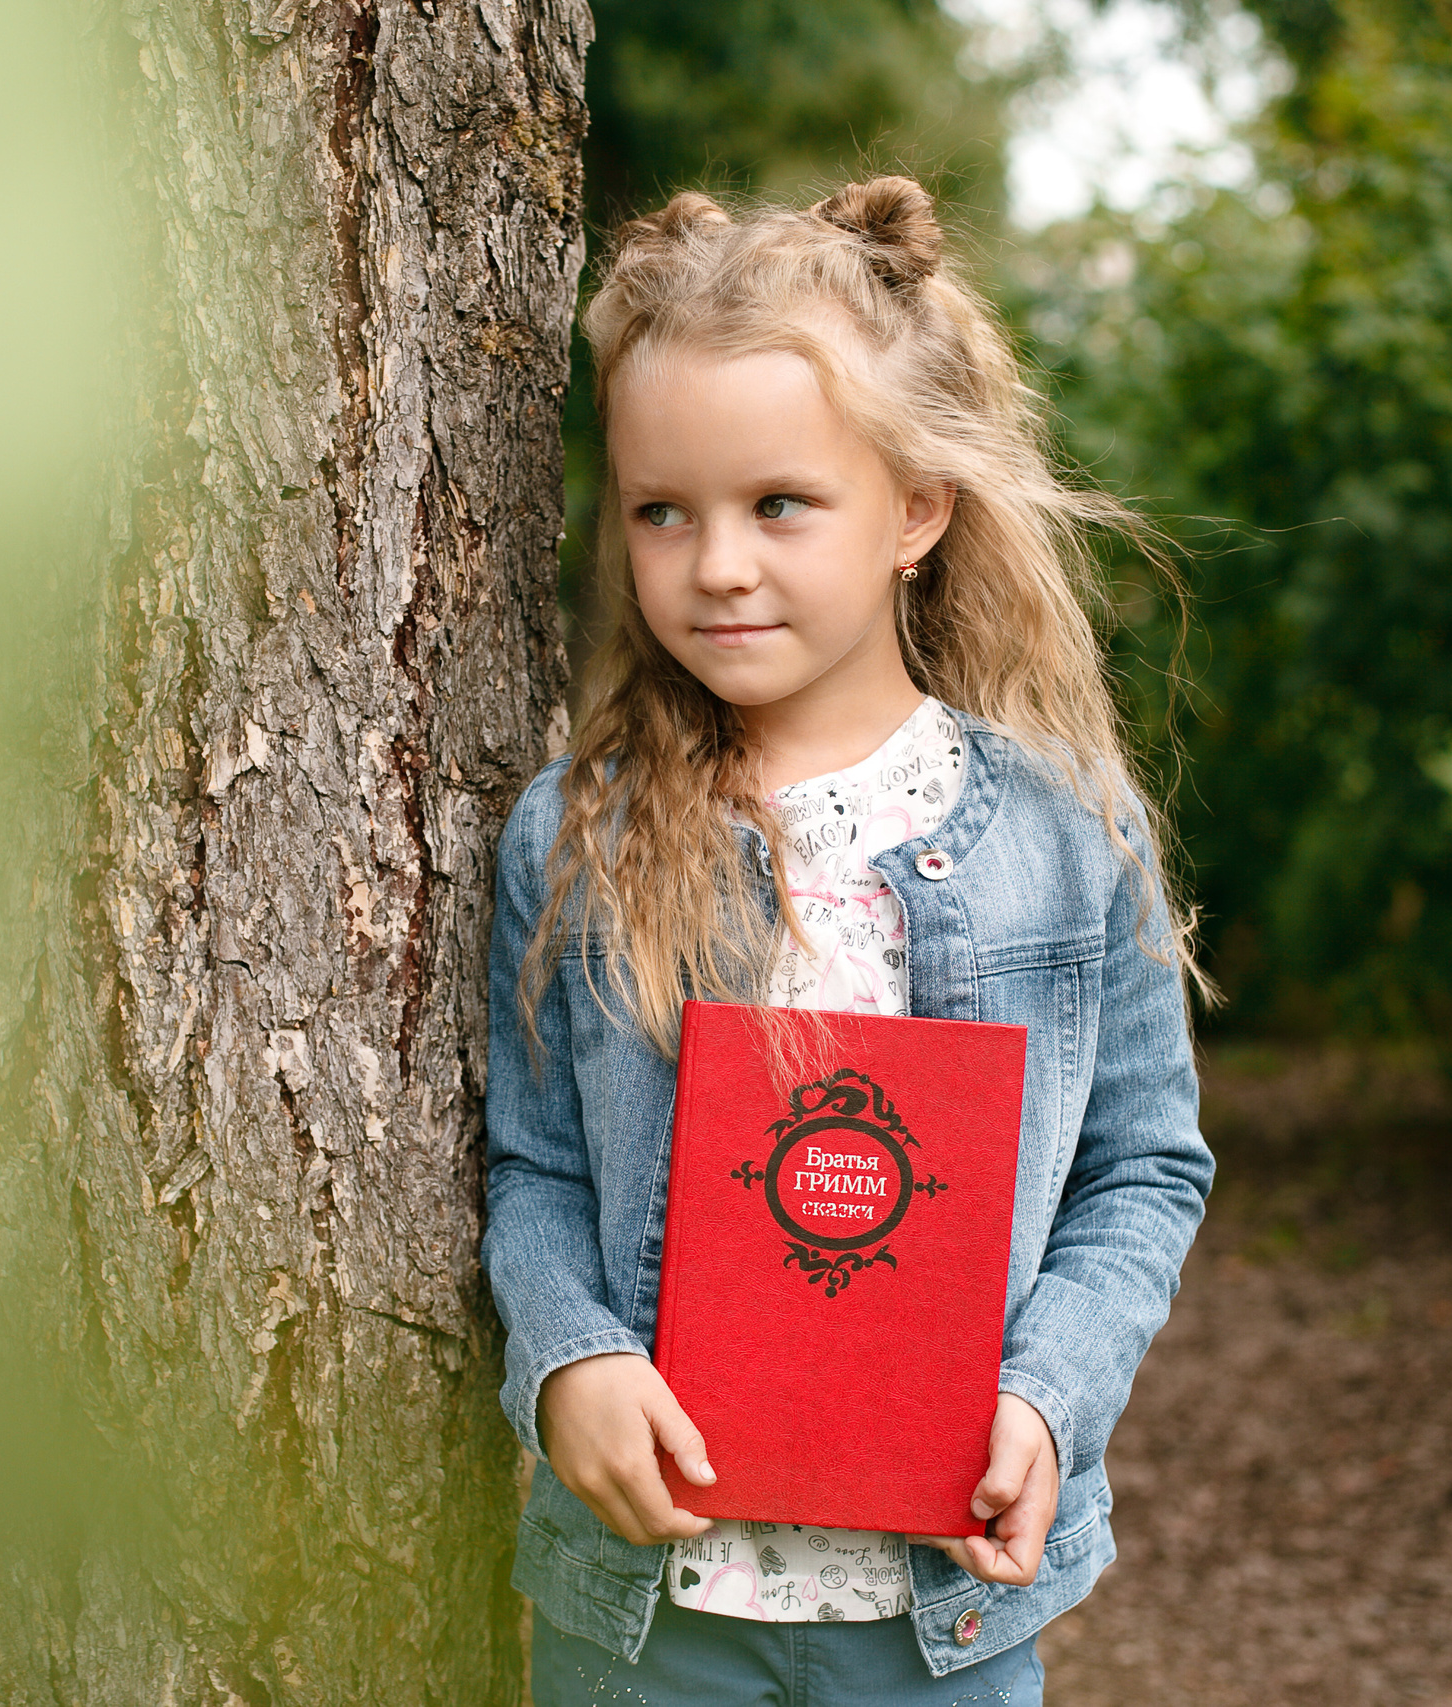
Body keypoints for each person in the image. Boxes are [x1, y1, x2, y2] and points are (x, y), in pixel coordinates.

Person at [482, 176, 1213, 1705]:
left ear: (918, 510)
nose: (716, 563)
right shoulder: (576, 833)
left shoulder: (1067, 838)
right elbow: (535, 1163)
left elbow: (1144, 1167)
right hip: (649, 1616)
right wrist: (571, 1363)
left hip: (938, 1623)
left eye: (779, 505)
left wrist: (1048, 1398)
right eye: (662, 511)